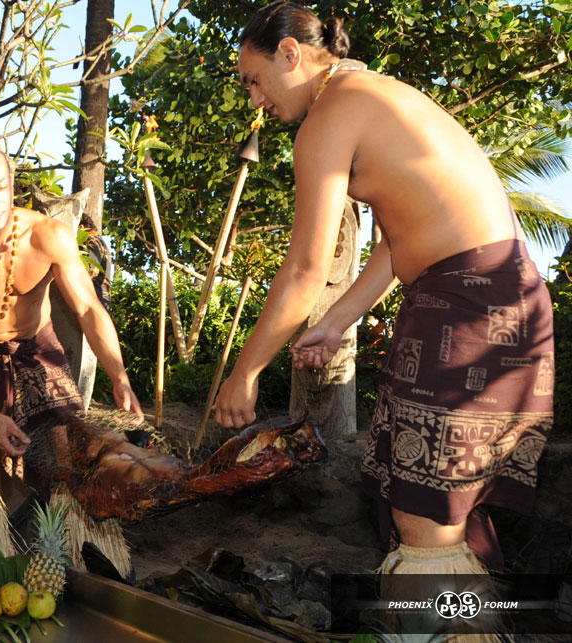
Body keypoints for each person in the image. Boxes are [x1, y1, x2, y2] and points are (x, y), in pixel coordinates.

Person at [214, 2, 553, 578]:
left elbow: (304, 270)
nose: (255, 100)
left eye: (254, 80)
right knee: (447, 511)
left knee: (426, 521)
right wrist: (334, 323)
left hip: (466, 309)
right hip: (504, 298)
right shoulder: (373, 93)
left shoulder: (329, 117)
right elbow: (397, 246)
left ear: (291, 53)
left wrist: (245, 373)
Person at [0, 128, 143, 573]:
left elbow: (88, 309)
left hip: (38, 349)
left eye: (2, 187)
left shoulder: (48, 236)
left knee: (66, 464)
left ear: (13, 181)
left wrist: (119, 378)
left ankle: (83, 565)